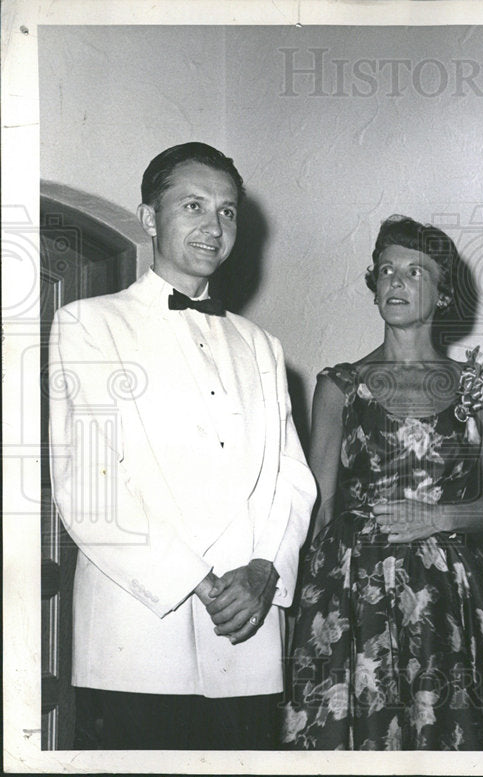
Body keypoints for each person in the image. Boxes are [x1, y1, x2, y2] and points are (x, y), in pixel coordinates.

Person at [48, 142, 316, 749]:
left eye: (226, 212)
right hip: (137, 639)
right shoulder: (89, 324)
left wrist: (264, 570)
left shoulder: (262, 346)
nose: (213, 225)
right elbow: (90, 489)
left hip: (247, 641)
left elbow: (292, 480)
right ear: (149, 219)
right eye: (192, 205)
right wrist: (199, 583)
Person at [283, 215, 483, 750]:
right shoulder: (340, 386)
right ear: (374, 286)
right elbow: (320, 508)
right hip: (354, 593)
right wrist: (305, 609)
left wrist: (438, 518)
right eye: (386, 270)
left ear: (444, 293)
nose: (396, 281)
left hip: (446, 595)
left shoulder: (476, 387)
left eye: (415, 272)